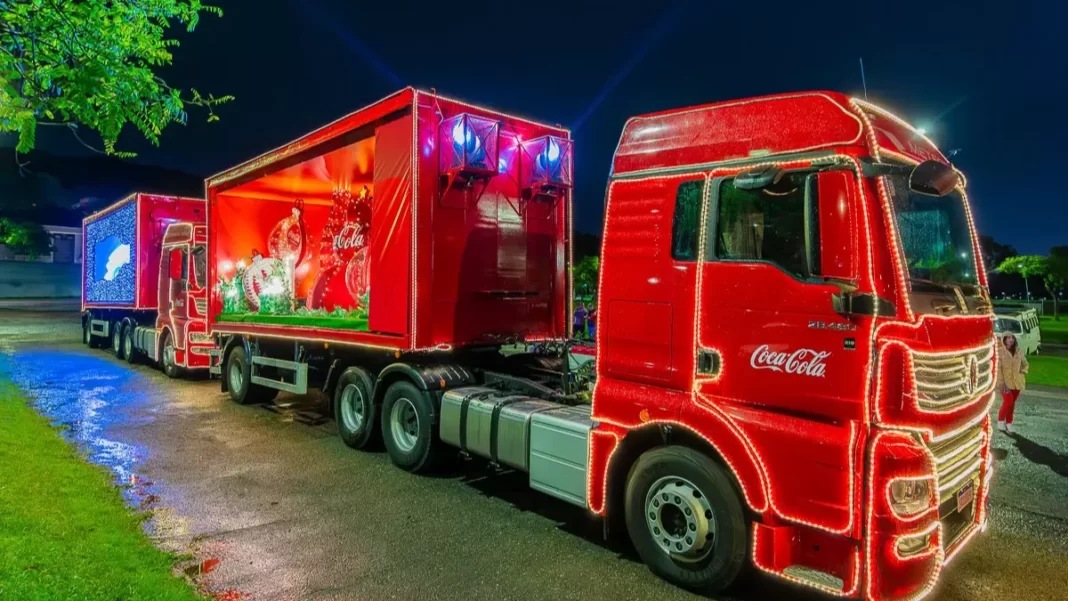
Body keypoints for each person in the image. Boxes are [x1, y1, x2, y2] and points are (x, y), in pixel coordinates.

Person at [996, 332, 1029, 434]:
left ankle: (1009, 423)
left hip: (1017, 382)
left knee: (1012, 403)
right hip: (1005, 383)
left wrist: (1023, 371)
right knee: (1008, 401)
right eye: (1008, 338)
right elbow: (998, 369)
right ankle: (1000, 421)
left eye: (1012, 338)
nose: (1011, 340)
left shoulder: (1019, 351)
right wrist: (1001, 382)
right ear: (1004, 340)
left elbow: (1025, 363)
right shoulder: (1000, 352)